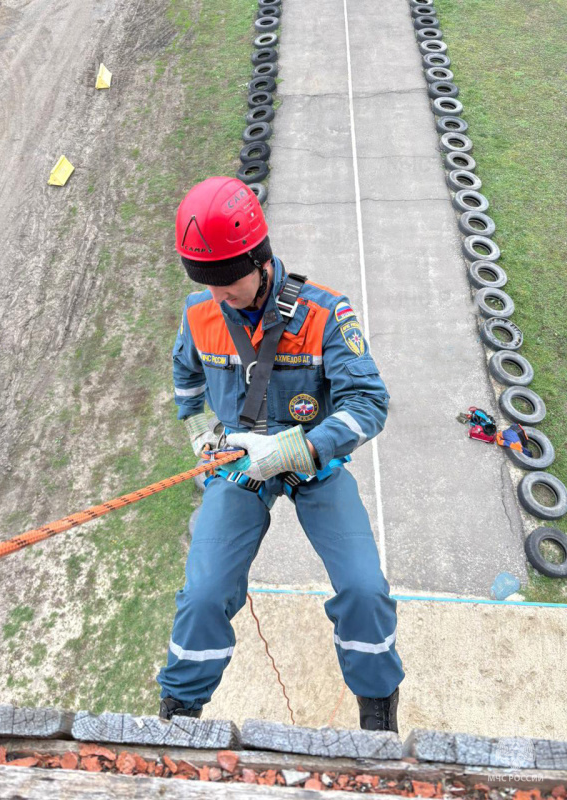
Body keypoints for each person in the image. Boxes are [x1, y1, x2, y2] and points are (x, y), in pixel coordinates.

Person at [156, 176, 405, 731]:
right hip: (240, 463)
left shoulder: (324, 314)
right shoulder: (200, 312)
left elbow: (368, 403)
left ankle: (377, 705)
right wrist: (201, 433)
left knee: (364, 587)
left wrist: (295, 449)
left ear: (261, 259)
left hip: (315, 462)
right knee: (203, 596)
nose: (220, 294)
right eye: (206, 281)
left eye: (228, 280)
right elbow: (186, 376)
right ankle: (179, 710)